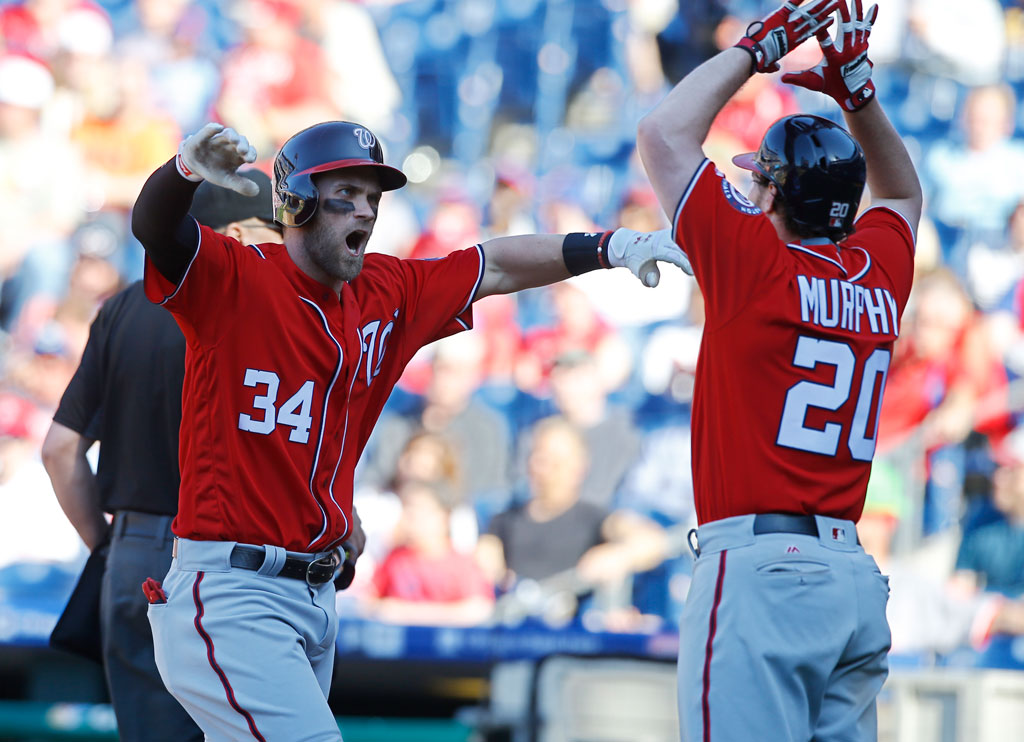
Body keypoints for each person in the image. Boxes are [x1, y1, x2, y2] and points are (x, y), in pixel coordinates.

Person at [129, 118, 688, 741]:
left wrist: (608, 247)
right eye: (345, 194)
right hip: (233, 592)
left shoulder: (386, 290)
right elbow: (155, 229)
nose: (365, 211)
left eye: (373, 198)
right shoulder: (237, 276)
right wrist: (181, 174)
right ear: (297, 201)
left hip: (314, 595)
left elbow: (495, 265)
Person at [635, 1, 923, 740]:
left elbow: (662, 133)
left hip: (762, 571)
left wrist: (758, 48)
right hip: (850, 575)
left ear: (774, 193)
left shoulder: (753, 265)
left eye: (759, 182)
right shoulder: (877, 270)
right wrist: (859, 94)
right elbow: (900, 192)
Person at [40, 170, 279, 742]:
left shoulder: (124, 305)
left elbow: (60, 449)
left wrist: (112, 547)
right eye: (276, 231)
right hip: (232, 560)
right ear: (238, 234)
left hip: (133, 555)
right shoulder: (260, 305)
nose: (288, 247)